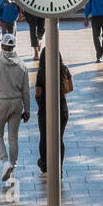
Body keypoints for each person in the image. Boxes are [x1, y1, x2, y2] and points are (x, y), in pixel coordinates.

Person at [0, 32, 31, 187]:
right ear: (13, 47)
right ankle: (13, 168)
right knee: (13, 138)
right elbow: (26, 91)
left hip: (1, 103)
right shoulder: (22, 65)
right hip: (17, 104)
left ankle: (5, 162)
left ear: (2, 45)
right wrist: (27, 109)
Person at [34, 49, 71, 177]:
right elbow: (70, 88)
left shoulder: (42, 71)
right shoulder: (64, 69)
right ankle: (59, 167)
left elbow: (38, 91)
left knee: (44, 137)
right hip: (62, 107)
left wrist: (41, 101)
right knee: (59, 138)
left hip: (45, 109)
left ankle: (45, 165)